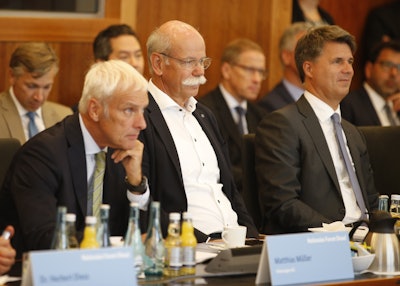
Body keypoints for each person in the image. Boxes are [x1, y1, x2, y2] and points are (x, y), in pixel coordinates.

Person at [0, 60, 149, 257]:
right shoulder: (41, 155)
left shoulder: (121, 151)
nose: (142, 123)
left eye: (142, 110)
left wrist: (136, 184)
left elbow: (148, 232)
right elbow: (45, 239)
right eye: (129, 110)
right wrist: (112, 246)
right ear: (95, 110)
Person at [137, 20, 258, 242]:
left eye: (203, 61)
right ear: (158, 63)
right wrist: (202, 241)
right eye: (189, 61)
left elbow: (230, 190)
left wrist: (251, 237)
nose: (200, 70)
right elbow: (142, 202)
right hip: (187, 246)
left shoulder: (205, 115)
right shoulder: (138, 116)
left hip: (234, 242)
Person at [255, 25, 379, 234]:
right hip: (320, 240)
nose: (348, 70)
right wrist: (339, 232)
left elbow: (372, 201)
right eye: (337, 61)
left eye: (350, 61)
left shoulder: (353, 133)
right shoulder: (282, 124)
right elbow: (282, 204)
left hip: (366, 241)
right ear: (309, 69)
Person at [199, 38, 266, 192]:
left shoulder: (261, 115)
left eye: (261, 72)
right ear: (226, 70)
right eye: (250, 70)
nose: (257, 79)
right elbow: (215, 165)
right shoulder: (204, 112)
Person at [0, 42, 72, 144]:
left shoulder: (64, 116)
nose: (39, 97)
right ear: (12, 76)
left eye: (46, 87)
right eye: (31, 86)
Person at [341, 40, 400, 126]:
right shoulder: (348, 104)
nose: (394, 73)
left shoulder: (397, 106)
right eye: (387, 65)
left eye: (399, 68)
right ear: (369, 69)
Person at [258, 22, 312, 113]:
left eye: (315, 51)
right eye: (306, 50)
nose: (313, 57)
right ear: (286, 56)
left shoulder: (324, 99)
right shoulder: (270, 106)